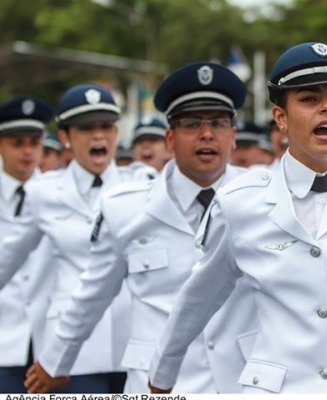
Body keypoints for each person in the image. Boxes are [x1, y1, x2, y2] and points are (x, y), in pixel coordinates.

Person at [147, 42, 327, 394]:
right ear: (281, 117)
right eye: (309, 99)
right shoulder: (240, 204)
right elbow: (197, 299)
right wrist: (161, 375)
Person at [22, 62, 256, 394]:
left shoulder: (262, 199)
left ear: (233, 135)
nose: (207, 134)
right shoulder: (125, 208)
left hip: (241, 381)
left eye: (218, 122)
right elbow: (93, 293)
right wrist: (54, 361)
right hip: (153, 384)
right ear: (171, 138)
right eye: (192, 123)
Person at [0, 83, 153, 393]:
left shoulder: (142, 184)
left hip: (134, 343)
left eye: (106, 126)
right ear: (66, 138)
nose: (98, 136)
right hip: (72, 352)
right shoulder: (43, 193)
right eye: (86, 128)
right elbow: (7, 259)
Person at [0, 96, 56, 393]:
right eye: (16, 142)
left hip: (49, 345)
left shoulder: (59, 195)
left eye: (34, 142)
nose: (27, 151)